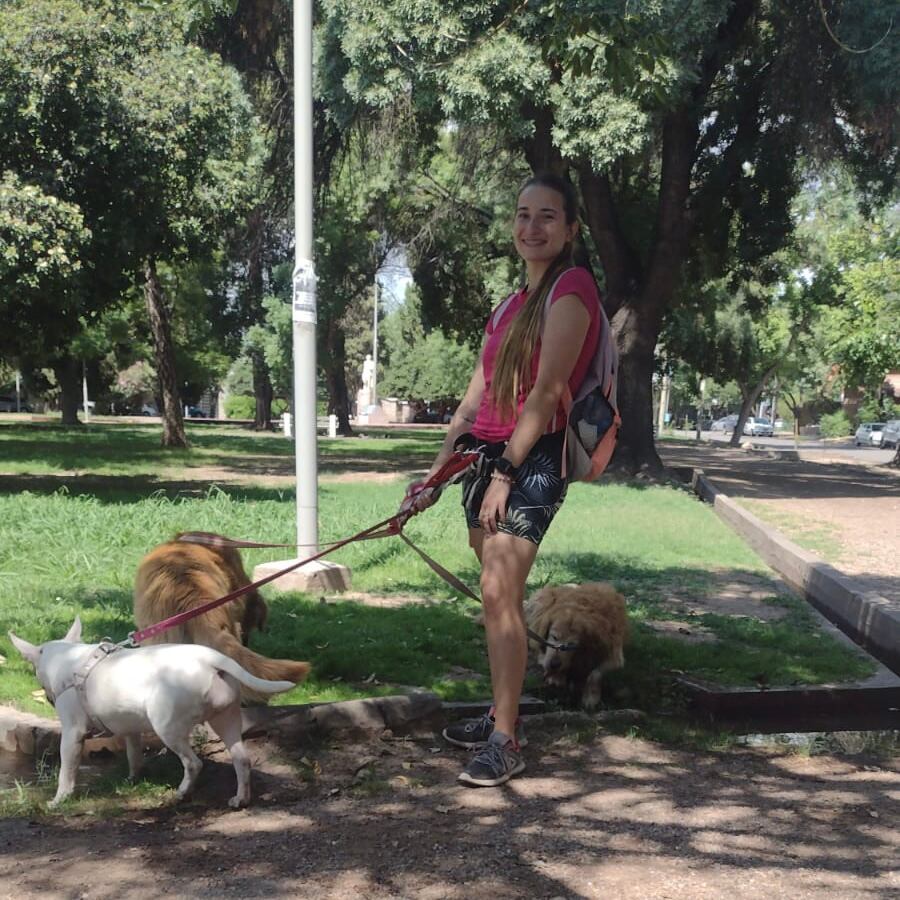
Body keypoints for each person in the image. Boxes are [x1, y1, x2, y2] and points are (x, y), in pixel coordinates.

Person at [405, 172, 603, 787]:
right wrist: (435, 475)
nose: (531, 227)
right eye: (522, 215)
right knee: (501, 600)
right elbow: (472, 403)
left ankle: (506, 738)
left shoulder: (572, 289)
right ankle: (500, 713)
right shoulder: (508, 307)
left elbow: (545, 393)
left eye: (547, 216)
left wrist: (507, 475)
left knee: (498, 591)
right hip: (484, 455)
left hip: (531, 455)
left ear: (570, 228)